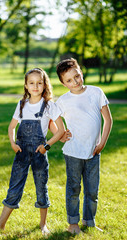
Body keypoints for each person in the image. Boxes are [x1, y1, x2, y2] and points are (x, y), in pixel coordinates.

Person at [0, 68, 65, 235]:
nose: (35, 86)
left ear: (45, 85)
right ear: (26, 85)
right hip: (21, 152)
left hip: (39, 152)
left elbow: (60, 130)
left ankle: (43, 225)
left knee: (41, 186)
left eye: (39, 83)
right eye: (32, 83)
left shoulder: (49, 106)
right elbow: (11, 127)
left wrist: (47, 146)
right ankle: (0, 224)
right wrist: (12, 143)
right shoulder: (21, 104)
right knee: (14, 186)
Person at [55, 58, 113, 234]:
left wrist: (102, 143)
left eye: (77, 76)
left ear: (81, 72)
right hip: (73, 152)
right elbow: (52, 120)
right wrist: (60, 135)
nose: (75, 82)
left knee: (92, 190)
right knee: (73, 189)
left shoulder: (96, 92)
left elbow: (108, 119)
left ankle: (89, 221)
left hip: (94, 151)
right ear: (64, 84)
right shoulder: (63, 101)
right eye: (69, 80)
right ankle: (73, 224)